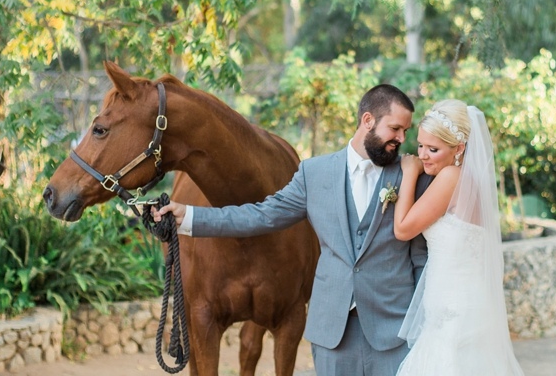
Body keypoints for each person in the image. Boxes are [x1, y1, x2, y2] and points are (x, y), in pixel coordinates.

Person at [153, 84, 433, 376]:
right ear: (367, 121)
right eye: (396, 129)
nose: (402, 138)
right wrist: (189, 217)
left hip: (394, 331)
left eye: (405, 131)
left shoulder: (411, 176)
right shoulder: (314, 174)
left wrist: (423, 323)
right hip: (332, 335)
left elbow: (420, 258)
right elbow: (260, 216)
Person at [393, 99, 525, 376]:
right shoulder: (471, 180)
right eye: (420, 146)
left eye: (433, 149)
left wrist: (409, 173)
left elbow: (403, 229)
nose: (423, 155)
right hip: (463, 303)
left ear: (459, 148)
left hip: (454, 311)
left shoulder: (451, 177)